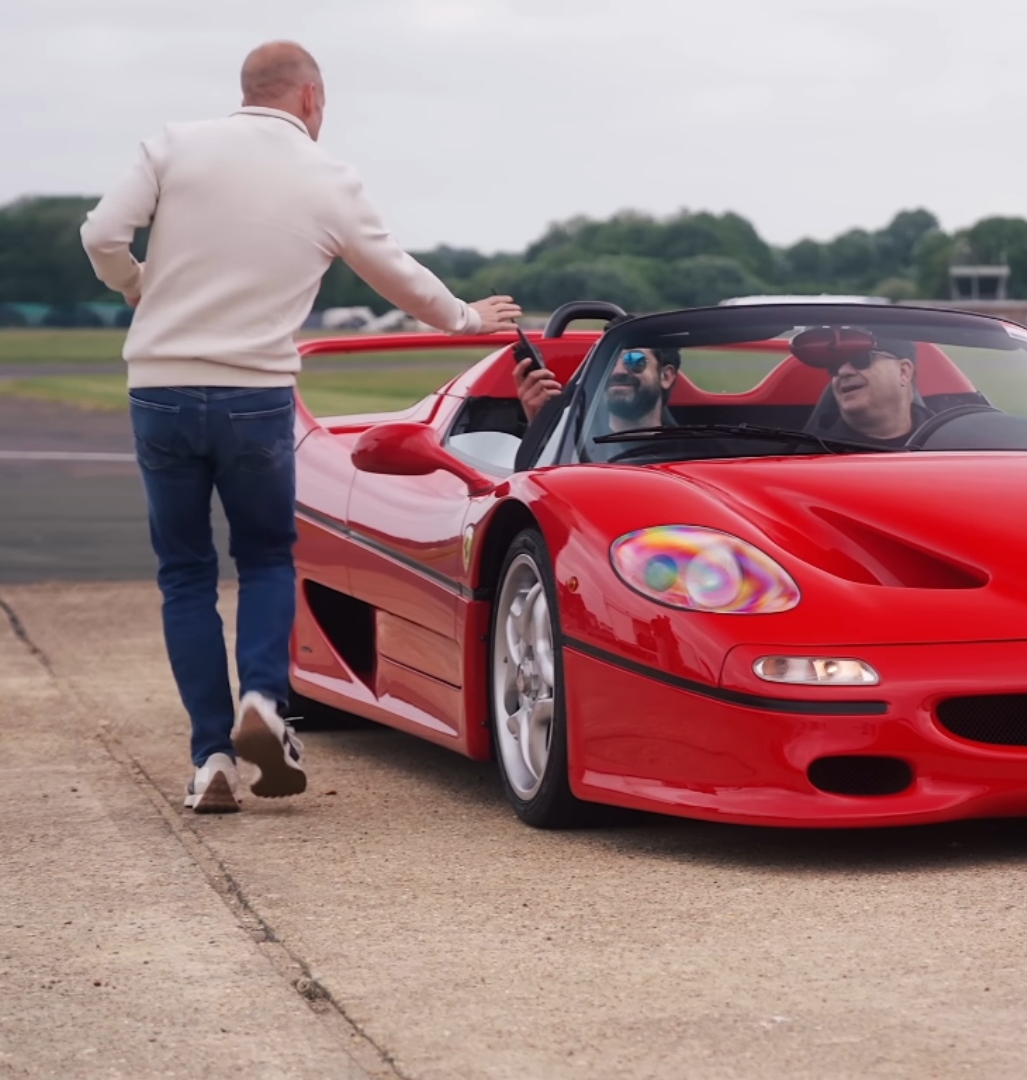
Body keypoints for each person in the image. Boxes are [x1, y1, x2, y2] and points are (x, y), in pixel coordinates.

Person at [79, 41, 521, 814]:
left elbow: (100, 235)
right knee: (266, 560)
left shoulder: (173, 145)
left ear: (245, 91)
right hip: (254, 396)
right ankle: (262, 698)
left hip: (161, 390)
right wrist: (466, 316)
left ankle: (211, 755)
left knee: (184, 574)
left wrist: (139, 288)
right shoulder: (328, 178)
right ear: (312, 100)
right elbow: (399, 277)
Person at [515, 346, 678, 433]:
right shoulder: (572, 447)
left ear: (666, 376)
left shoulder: (692, 451)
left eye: (633, 359)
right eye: (609, 361)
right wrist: (539, 426)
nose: (617, 371)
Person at [812, 337, 929, 446]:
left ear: (903, 372)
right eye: (835, 365)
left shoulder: (944, 442)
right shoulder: (814, 455)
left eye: (860, 358)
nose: (842, 371)